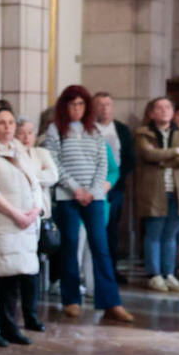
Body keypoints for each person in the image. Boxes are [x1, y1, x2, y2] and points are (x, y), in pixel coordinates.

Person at [42, 85, 133, 323]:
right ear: (65, 106)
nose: (77, 108)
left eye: (81, 104)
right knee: (70, 246)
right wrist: (76, 189)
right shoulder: (55, 130)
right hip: (68, 196)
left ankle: (111, 301)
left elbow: (103, 163)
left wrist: (92, 191)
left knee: (101, 248)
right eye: (73, 104)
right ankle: (71, 299)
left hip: (94, 197)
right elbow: (54, 163)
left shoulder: (94, 130)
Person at [0, 102, 44, 347]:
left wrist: (36, 209)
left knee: (13, 280)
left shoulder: (19, 149)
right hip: (0, 223)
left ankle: (11, 327)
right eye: (1, 123)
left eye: (11, 123)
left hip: (23, 225)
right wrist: (15, 213)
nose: (7, 127)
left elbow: (35, 182)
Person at [135, 96, 179, 293]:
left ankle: (169, 273)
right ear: (151, 113)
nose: (164, 110)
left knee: (171, 235)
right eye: (159, 107)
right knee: (154, 233)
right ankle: (154, 274)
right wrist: (175, 152)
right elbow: (148, 154)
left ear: (173, 112)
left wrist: (164, 160)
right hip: (154, 190)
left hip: (178, 190)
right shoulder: (143, 133)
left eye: (167, 107)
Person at [14, 119, 60, 331]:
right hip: (16, 215)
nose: (26, 137)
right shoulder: (11, 153)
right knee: (16, 268)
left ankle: (31, 314)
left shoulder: (42, 154)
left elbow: (52, 176)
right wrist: (35, 175)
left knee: (34, 268)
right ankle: (11, 314)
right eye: (21, 132)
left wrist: (30, 175)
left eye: (30, 132)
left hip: (40, 216)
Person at [91, 92, 135, 268]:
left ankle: (112, 267)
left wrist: (114, 180)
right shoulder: (88, 129)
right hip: (90, 184)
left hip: (115, 185)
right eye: (100, 104)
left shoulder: (121, 130)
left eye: (107, 104)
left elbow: (129, 158)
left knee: (113, 228)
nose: (104, 108)